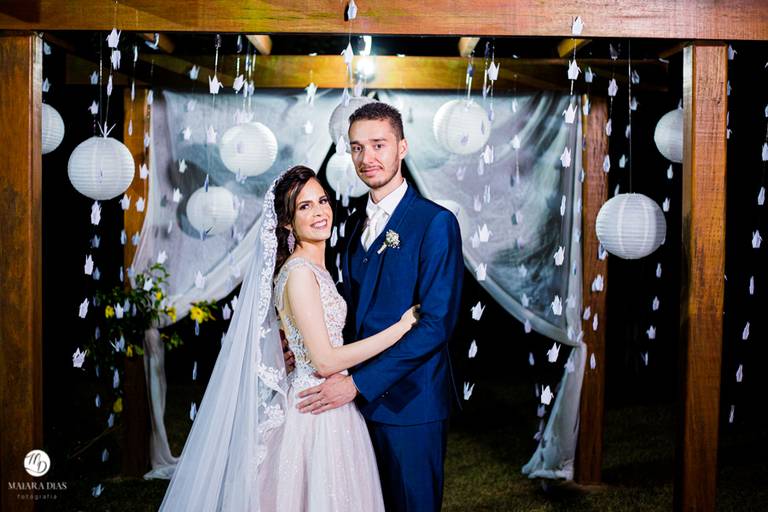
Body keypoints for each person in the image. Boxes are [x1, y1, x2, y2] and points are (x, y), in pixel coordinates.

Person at [159, 165, 418, 511]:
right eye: (304, 206)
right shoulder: (298, 274)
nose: (319, 212)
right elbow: (325, 360)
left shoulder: (315, 269)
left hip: (331, 404)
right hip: (315, 412)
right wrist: (401, 328)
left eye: (322, 201)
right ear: (286, 223)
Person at [296, 102, 465, 511]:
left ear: (402, 147)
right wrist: (305, 344)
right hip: (355, 408)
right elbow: (350, 309)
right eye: (356, 147)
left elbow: (436, 325)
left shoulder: (435, 222)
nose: (366, 158)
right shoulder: (352, 222)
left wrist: (358, 383)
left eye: (378, 145)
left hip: (411, 405)